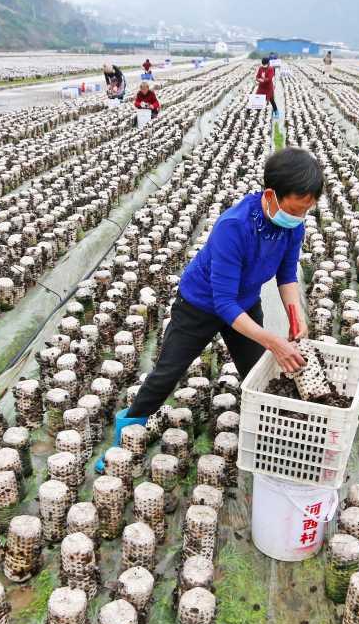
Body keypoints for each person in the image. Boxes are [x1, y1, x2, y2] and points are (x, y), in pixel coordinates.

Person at [95, 147, 321, 471]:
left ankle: (270, 437)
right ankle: (124, 436)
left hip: (244, 302)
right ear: (270, 195)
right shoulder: (235, 226)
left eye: (305, 211)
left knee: (256, 376)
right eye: (295, 209)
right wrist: (273, 340)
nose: (299, 217)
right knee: (167, 373)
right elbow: (222, 303)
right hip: (200, 304)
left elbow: (287, 276)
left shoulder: (293, 226)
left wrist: (296, 318)